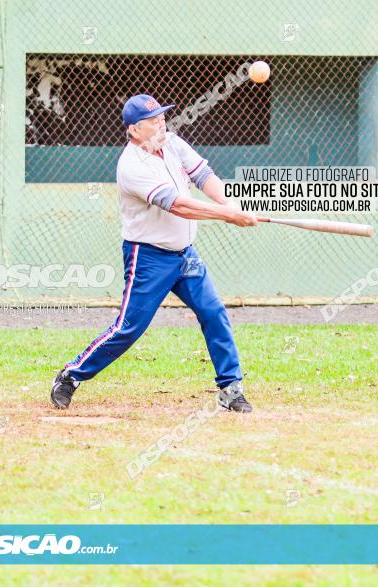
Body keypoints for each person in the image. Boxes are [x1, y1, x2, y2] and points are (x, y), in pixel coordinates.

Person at [50, 93, 259, 413]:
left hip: (185, 254)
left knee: (213, 312)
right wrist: (227, 216)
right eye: (152, 121)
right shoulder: (132, 166)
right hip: (148, 256)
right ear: (134, 130)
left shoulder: (173, 143)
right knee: (129, 328)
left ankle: (230, 389)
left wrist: (228, 203)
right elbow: (179, 206)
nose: (161, 124)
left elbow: (203, 176)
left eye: (162, 118)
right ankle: (71, 375)